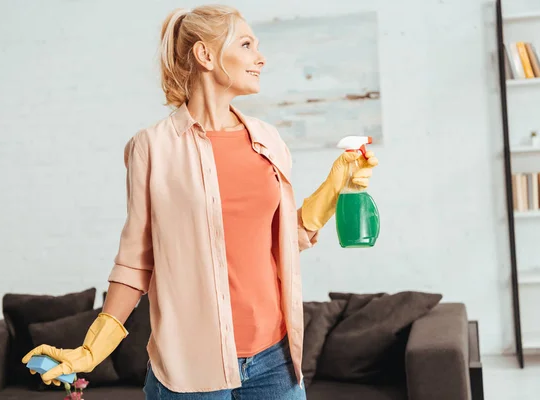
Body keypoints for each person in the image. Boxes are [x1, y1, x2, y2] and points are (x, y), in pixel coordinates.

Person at [21, 4, 378, 399]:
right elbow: (136, 262)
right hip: (189, 371)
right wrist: (91, 350)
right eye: (246, 44)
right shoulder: (152, 147)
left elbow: (284, 237)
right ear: (205, 55)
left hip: (275, 360)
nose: (261, 57)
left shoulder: (268, 140)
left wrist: (335, 184)